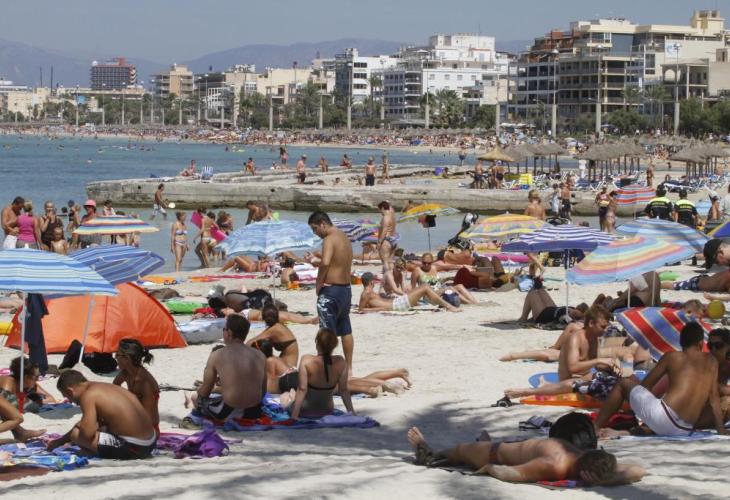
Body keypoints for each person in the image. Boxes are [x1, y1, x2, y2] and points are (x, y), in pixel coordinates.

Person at [594, 322, 726, 437]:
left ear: (681, 342)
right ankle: (633, 430)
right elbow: (714, 398)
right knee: (659, 415)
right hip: (685, 429)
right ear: (701, 343)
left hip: (664, 419)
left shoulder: (672, 357)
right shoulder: (712, 361)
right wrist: (721, 430)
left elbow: (646, 386)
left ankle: (595, 427)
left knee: (623, 384)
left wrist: (636, 405)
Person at [406, 427, 645, 485]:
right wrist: (606, 480)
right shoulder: (565, 463)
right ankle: (431, 452)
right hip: (501, 450)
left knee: (461, 451)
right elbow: (637, 471)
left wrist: (489, 468)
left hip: (498, 453)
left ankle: (428, 453)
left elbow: (512, 473)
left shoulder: (567, 461)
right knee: (463, 449)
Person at [504, 305, 618, 399]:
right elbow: (573, 367)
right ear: (591, 323)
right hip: (568, 381)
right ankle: (527, 392)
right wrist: (599, 360)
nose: (605, 330)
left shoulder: (595, 338)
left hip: (583, 378)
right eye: (602, 327)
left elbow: (597, 365)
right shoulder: (576, 338)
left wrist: (611, 364)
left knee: (611, 376)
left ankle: (547, 385)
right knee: (552, 356)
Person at [47, 370, 157, 460]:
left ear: (70, 391)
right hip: (151, 442)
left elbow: (87, 434)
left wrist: (66, 438)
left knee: (76, 434)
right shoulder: (103, 387)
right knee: (93, 426)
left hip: (135, 448)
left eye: (67, 396)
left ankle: (92, 452)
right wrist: (60, 441)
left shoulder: (88, 395)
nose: (71, 401)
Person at [191, 314, 266, 420]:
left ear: (229, 332)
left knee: (194, 398)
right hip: (255, 411)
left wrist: (199, 391)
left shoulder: (217, 355)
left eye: (224, 329)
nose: (223, 332)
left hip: (230, 412)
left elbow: (205, 391)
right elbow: (263, 390)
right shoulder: (260, 355)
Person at [309, 211, 355, 373]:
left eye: (315, 229)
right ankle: (349, 368)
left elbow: (326, 262)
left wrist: (318, 283)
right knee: (345, 329)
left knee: (326, 332)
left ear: (323, 224)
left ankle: (326, 368)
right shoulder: (344, 237)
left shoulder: (329, 239)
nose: (315, 233)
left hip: (331, 290)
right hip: (346, 289)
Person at [289, 328, 354, 419]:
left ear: (317, 343)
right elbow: (343, 390)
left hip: (306, 410)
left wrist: (294, 416)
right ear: (334, 345)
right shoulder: (340, 361)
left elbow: (302, 389)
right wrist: (352, 413)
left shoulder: (306, 360)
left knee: (286, 397)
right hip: (327, 411)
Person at [113, 339, 160, 435]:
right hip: (137, 422)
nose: (115, 358)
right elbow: (114, 388)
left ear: (127, 358)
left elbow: (147, 418)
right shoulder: (125, 373)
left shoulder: (144, 382)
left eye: (117, 355)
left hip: (149, 430)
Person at [0, 358, 51, 440]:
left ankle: (20, 433)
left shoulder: (28, 384)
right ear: (26, 377)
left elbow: (50, 398)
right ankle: (21, 433)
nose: (38, 379)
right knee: (18, 417)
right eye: (36, 376)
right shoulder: (7, 386)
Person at [359, 271, 461, 312]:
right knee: (425, 287)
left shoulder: (368, 292)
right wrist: (381, 308)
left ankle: (441, 303)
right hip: (396, 306)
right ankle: (448, 306)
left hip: (396, 303)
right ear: (371, 282)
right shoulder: (366, 293)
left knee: (424, 288)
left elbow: (368, 305)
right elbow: (361, 309)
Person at [410, 252, 478, 304]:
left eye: (429, 263)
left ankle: (474, 302)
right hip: (428, 296)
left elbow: (448, 267)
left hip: (440, 291)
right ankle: (469, 303)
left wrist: (464, 266)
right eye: (424, 263)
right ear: (421, 261)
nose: (426, 265)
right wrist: (415, 301)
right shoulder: (417, 271)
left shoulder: (434, 268)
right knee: (450, 288)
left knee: (460, 286)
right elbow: (413, 289)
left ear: (432, 262)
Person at [519, 286, 588, 325]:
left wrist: (575, 320)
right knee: (541, 290)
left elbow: (568, 321)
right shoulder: (572, 309)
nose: (573, 313)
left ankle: (523, 318)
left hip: (541, 315)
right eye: (577, 309)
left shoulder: (567, 318)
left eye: (575, 315)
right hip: (551, 308)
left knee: (532, 294)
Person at [377, 201, 403, 295]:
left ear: (383, 208)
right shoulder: (392, 216)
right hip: (393, 239)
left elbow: (384, 230)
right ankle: (392, 282)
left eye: (380, 210)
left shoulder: (385, 217)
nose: (380, 212)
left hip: (386, 241)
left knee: (385, 262)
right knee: (391, 262)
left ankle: (387, 283)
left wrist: (379, 242)